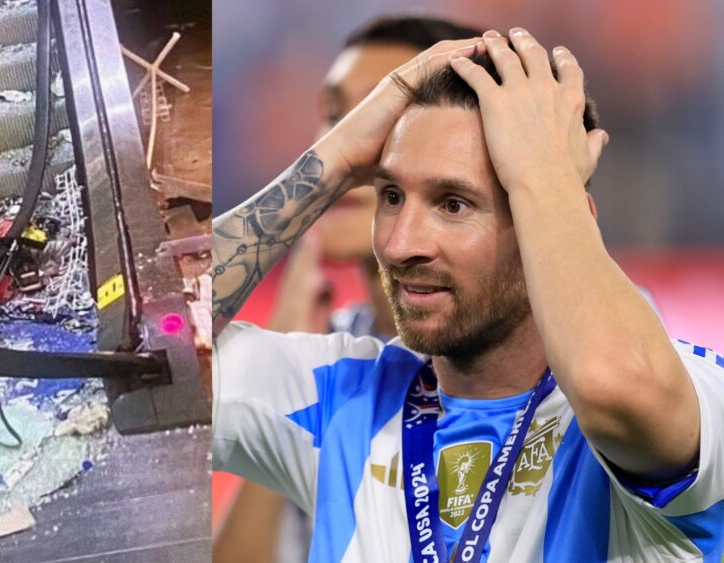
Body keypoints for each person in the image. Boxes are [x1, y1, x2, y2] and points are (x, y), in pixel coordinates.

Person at [212, 28, 724, 562]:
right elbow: (164, 332)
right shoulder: (341, 395)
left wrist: (546, 179)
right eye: (390, 195)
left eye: (453, 204)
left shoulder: (693, 399)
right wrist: (335, 161)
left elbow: (609, 385)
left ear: (553, 222)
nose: (399, 242)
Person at [215, 17, 482, 563]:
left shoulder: (573, 349)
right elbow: (164, 321)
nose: (355, 151)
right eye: (338, 120)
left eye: (386, 117)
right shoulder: (325, 359)